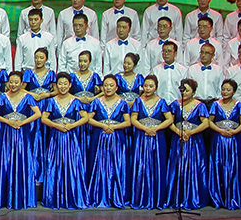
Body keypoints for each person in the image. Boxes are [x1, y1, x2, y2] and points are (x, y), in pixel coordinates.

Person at [81, 75, 132, 208]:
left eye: (111, 85)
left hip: (117, 138)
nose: (108, 88)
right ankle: (98, 195)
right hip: (99, 138)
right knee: (98, 165)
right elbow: (88, 119)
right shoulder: (96, 102)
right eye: (105, 85)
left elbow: (128, 122)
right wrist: (103, 125)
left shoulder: (123, 103)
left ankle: (116, 195)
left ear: (116, 87)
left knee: (116, 165)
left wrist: (113, 127)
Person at [38, 74, 89, 209]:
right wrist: (57, 126)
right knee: (54, 165)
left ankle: (72, 196)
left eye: (65, 83)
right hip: (55, 137)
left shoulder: (76, 101)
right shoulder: (51, 101)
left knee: (72, 165)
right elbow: (44, 118)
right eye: (60, 84)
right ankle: (54, 197)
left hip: (70, 137)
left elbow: (85, 118)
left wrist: (72, 126)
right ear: (56, 85)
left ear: (70, 85)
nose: (62, 86)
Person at [0, 71, 39, 209]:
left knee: (22, 161)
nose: (13, 85)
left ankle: (23, 197)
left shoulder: (28, 97)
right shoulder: (3, 96)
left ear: (22, 83)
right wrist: (7, 121)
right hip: (7, 133)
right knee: (6, 162)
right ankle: (5, 198)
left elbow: (38, 114)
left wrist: (23, 122)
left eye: (16, 82)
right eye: (11, 82)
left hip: (22, 133)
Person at [167, 78, 214, 210]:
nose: (184, 93)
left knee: (194, 167)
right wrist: (178, 132)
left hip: (194, 141)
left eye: (187, 90)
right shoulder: (175, 104)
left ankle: (193, 197)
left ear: (193, 91)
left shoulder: (200, 106)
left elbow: (206, 123)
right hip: (178, 139)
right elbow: (169, 121)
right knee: (178, 166)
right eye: (182, 90)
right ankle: (176, 198)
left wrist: (191, 132)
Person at [128, 75, 172, 209]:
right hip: (141, 137)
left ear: (156, 87)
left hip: (157, 137)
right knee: (140, 165)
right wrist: (145, 128)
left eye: (151, 86)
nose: (147, 88)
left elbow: (169, 119)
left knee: (157, 165)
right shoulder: (138, 101)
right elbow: (133, 119)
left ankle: (156, 198)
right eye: (145, 86)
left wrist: (156, 128)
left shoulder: (162, 102)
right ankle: (140, 197)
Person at [209, 78, 241, 210]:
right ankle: (218, 197)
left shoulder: (239, 105)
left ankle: (233, 196)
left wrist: (235, 131)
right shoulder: (215, 105)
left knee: (234, 167)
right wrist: (220, 130)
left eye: (228, 90)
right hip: (219, 140)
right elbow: (210, 121)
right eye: (223, 89)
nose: (225, 92)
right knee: (218, 166)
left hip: (234, 140)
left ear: (234, 91)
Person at [14, 8, 57, 73]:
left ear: (41, 20)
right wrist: (18, 74)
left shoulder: (49, 37)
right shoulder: (22, 38)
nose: (33, 22)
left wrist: (52, 75)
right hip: (28, 72)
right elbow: (18, 60)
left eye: (36, 19)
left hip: (45, 72)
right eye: (31, 20)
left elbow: (52, 59)